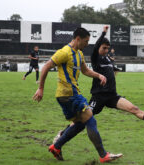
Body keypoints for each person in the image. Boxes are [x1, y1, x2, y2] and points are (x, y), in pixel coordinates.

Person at [53, 26, 144, 147]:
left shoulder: (108, 58)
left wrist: (114, 71)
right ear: (98, 48)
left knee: (133, 108)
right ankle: (61, 135)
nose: (106, 50)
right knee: (82, 120)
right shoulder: (95, 58)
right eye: (104, 48)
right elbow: (96, 50)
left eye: (108, 48)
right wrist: (103, 33)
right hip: (98, 97)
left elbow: (111, 70)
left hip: (112, 95)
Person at [32, 27, 122, 163]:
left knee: (80, 123)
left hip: (65, 96)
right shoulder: (64, 52)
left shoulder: (79, 53)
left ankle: (56, 147)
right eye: (85, 41)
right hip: (70, 94)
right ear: (78, 39)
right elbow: (46, 67)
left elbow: (85, 70)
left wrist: (98, 75)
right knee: (90, 119)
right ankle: (103, 155)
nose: (87, 44)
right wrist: (40, 88)